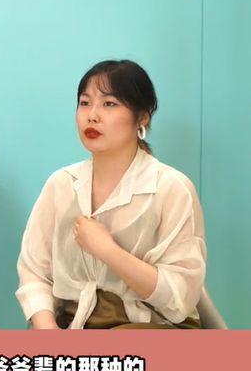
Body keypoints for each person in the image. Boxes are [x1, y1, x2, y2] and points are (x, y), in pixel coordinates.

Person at [16, 60, 206, 329]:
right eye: (85, 103)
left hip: (152, 327)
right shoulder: (61, 184)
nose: (92, 115)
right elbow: (34, 272)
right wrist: (48, 332)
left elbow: (179, 296)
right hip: (72, 325)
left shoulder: (172, 188)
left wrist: (108, 251)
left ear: (142, 118)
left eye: (109, 104)